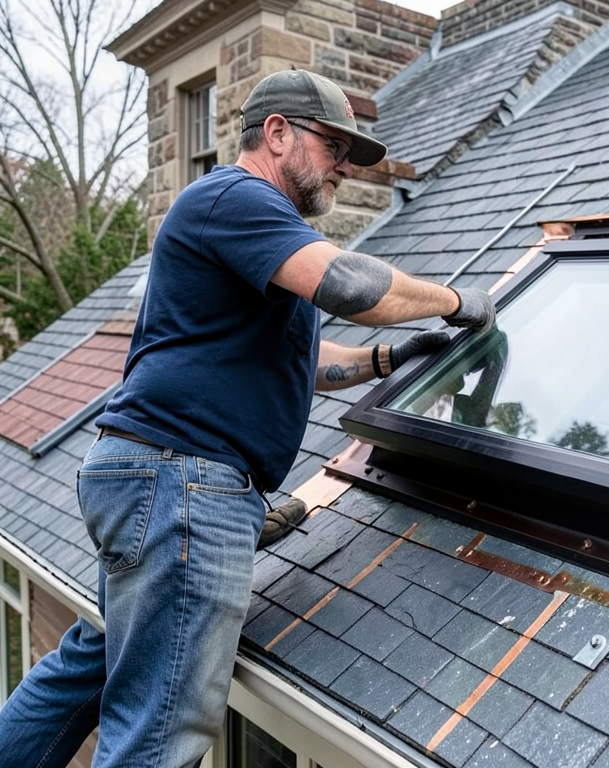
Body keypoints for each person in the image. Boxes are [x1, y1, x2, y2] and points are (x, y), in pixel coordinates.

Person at [0, 68, 495, 767]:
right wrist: (453, 300)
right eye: (335, 146)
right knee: (161, 727)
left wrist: (389, 358)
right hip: (181, 482)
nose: (346, 168)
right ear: (277, 133)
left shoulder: (248, 231)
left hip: (157, 477)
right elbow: (350, 284)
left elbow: (298, 359)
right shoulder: (238, 198)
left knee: (96, 662)